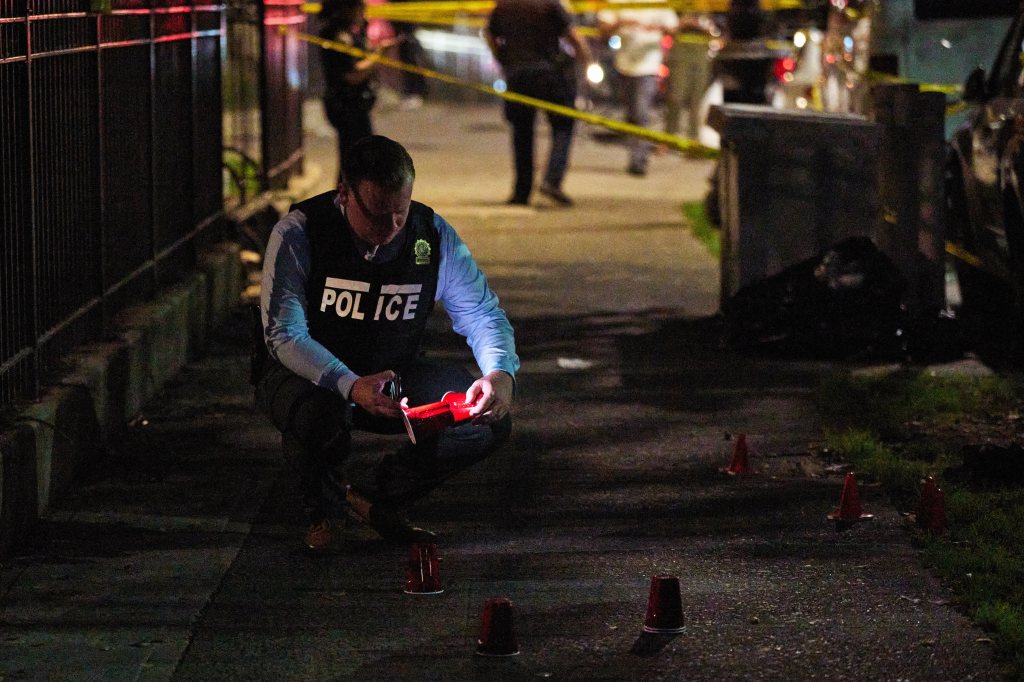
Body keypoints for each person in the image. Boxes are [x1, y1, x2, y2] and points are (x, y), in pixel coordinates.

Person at [255, 135, 519, 551]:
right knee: (317, 420)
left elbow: (481, 312)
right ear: (344, 194)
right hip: (308, 378)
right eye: (378, 214)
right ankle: (324, 511)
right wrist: (349, 384)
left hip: (393, 375)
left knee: (485, 423)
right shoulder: (300, 233)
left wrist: (500, 372)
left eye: (401, 211)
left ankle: (375, 499)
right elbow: (284, 333)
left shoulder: (430, 235)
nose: (392, 227)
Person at [486, 0, 592, 206]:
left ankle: (521, 192)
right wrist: (587, 62)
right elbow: (574, 38)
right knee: (563, 126)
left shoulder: (504, 5)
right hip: (550, 74)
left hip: (518, 75)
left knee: (522, 133)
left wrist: (503, 59)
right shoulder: (549, 4)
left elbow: (490, 35)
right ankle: (552, 180)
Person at [597, 3, 678, 176]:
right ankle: (635, 153)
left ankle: (639, 158)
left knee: (641, 113)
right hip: (624, 65)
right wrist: (620, 23)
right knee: (631, 113)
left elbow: (674, 29)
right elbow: (602, 27)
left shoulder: (659, 4)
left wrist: (659, 28)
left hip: (648, 67)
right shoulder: (617, 4)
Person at [319, 0, 385, 184]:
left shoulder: (348, 33)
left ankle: (351, 202)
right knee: (355, 160)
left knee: (358, 159)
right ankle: (345, 204)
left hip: (354, 106)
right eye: (360, 7)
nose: (363, 11)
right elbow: (352, 74)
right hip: (347, 107)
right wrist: (378, 56)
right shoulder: (338, 36)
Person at [663, 14, 714, 141]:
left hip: (701, 57)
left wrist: (703, 27)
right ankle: (668, 138)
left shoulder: (706, 10)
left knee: (697, 101)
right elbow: (668, 30)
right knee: (676, 97)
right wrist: (684, 23)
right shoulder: (681, 9)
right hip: (681, 56)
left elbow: (716, 34)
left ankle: (694, 140)